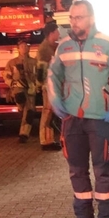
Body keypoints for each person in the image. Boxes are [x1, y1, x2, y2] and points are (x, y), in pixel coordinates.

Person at [47, 0, 109, 218]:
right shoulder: (64, 46)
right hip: (72, 119)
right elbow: (52, 74)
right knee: (77, 170)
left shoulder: (108, 43)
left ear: (91, 18)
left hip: (101, 119)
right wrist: (55, 100)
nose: (74, 22)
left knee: (103, 170)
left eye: (79, 17)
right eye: (71, 18)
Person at [4, 38, 39, 143]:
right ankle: (20, 108)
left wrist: (38, 85)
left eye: (26, 46)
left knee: (29, 112)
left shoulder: (34, 62)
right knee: (21, 101)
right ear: (18, 49)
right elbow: (6, 76)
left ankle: (24, 134)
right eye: (22, 46)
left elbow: (40, 75)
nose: (24, 48)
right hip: (18, 89)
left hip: (31, 89)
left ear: (29, 48)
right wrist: (12, 83)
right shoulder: (12, 63)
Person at [35, 22, 62, 151]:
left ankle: (49, 139)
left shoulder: (51, 46)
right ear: (51, 33)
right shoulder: (44, 49)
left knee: (50, 112)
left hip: (51, 84)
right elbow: (40, 70)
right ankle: (45, 141)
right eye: (57, 31)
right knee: (47, 111)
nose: (59, 33)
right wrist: (40, 85)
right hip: (47, 85)